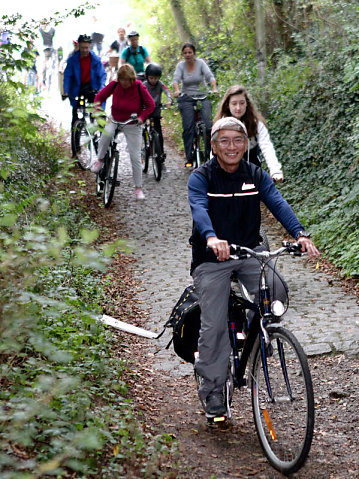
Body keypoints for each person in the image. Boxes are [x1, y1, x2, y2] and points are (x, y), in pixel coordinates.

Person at [188, 116, 319, 418]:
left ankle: (253, 333)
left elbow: (276, 201)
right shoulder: (201, 177)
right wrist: (211, 238)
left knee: (277, 291)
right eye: (224, 141)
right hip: (212, 257)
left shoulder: (255, 174)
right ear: (213, 145)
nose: (231, 147)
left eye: (237, 140)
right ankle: (212, 389)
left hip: (249, 250)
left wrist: (299, 233)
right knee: (214, 324)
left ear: (246, 144)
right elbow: (199, 209)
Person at [90, 63, 155, 200]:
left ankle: (138, 188)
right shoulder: (115, 85)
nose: (124, 83)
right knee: (105, 136)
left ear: (132, 79)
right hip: (115, 118)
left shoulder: (138, 86)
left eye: (127, 80)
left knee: (135, 156)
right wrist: (97, 111)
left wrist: (142, 117)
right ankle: (100, 160)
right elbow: (99, 97)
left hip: (132, 123)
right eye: (122, 79)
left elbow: (151, 104)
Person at [214, 85, 284, 181]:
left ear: (247, 104)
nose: (238, 108)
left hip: (252, 169)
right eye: (234, 104)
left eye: (242, 103)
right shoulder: (221, 125)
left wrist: (275, 171)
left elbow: (266, 146)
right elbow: (215, 151)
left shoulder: (255, 123)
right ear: (227, 105)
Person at [173, 43, 218, 167]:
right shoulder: (180, 66)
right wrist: (177, 90)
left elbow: (209, 76)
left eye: (190, 52)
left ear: (194, 53)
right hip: (186, 97)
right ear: (183, 54)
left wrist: (214, 88)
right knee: (188, 127)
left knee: (209, 125)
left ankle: (211, 153)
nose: (188, 55)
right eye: (185, 53)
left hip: (203, 95)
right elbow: (176, 80)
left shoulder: (201, 63)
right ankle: (189, 156)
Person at [62, 34, 106, 134]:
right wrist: (66, 91)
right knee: (75, 113)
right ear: (79, 46)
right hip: (77, 89)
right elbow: (67, 76)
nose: (85, 50)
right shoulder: (73, 60)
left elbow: (102, 75)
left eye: (86, 47)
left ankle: (102, 138)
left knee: (98, 111)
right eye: (82, 47)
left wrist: (101, 88)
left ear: (89, 46)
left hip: (92, 87)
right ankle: (76, 140)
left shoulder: (96, 60)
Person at [143, 63, 172, 161]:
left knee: (158, 132)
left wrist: (169, 100)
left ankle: (161, 152)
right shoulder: (144, 85)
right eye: (151, 78)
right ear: (147, 77)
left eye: (156, 78)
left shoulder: (160, 84)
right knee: (141, 128)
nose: (154, 80)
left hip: (156, 110)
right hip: (145, 109)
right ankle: (143, 146)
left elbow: (167, 92)